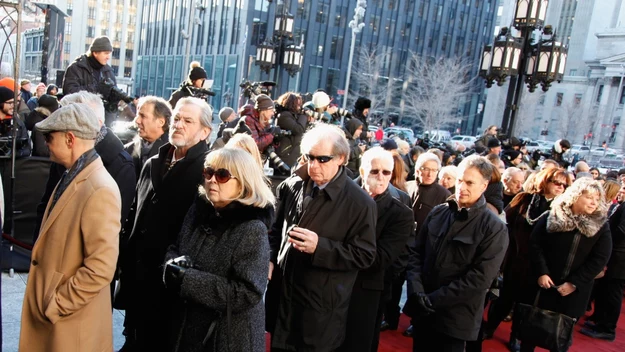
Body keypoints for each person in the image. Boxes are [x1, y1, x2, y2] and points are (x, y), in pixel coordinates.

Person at [19, 103, 121, 352]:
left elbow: (100, 268)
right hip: (59, 320)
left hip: (70, 326)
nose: (45, 144)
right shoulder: (73, 174)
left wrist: (56, 304)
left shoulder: (99, 188)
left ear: (70, 139)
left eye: (49, 138)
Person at [266, 123, 377, 351]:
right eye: (309, 157)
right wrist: (269, 258)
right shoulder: (293, 186)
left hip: (320, 312)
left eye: (322, 159)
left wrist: (320, 247)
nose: (313, 165)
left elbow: (365, 255)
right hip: (283, 300)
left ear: (341, 158)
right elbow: (276, 230)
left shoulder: (360, 203)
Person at [118, 97, 211, 351]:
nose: (178, 125)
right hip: (139, 280)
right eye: (177, 118)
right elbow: (136, 213)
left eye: (188, 121)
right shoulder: (153, 162)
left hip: (172, 288)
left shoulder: (209, 171)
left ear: (205, 131)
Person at [163, 148, 275, 351]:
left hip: (226, 338)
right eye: (208, 172)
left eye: (222, 175)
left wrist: (187, 279)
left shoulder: (252, 229)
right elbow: (176, 246)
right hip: (187, 329)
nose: (212, 180)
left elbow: (247, 293)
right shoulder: (200, 211)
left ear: (243, 183)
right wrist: (172, 263)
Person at [404, 155, 508, 351]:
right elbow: (416, 254)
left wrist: (432, 299)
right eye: (460, 180)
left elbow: (480, 278)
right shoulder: (438, 213)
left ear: (484, 186)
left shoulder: (494, 228)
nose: (462, 187)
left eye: (469, 182)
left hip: (455, 320)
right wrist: (417, 291)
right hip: (422, 312)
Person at [483, 167, 570, 351]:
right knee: (503, 298)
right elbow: (502, 221)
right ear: (545, 181)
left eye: (565, 184)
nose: (561, 187)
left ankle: (516, 336)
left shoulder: (562, 209)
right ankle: (489, 327)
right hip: (514, 258)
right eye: (557, 182)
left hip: (537, 265)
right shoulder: (525, 199)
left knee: (524, 304)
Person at [521, 178, 612, 352]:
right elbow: (535, 244)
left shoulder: (601, 226)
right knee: (530, 331)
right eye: (589, 197)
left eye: (597, 198)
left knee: (560, 338)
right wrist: (542, 272)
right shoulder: (552, 215)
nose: (594, 202)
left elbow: (600, 259)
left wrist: (574, 283)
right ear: (576, 196)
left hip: (574, 291)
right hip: (543, 283)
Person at [340, 147, 413, 352]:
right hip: (331, 285)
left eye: (386, 172)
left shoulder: (400, 213)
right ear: (362, 172)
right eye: (375, 171)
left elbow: (380, 258)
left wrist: (332, 251)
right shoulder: (340, 197)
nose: (381, 177)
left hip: (368, 290)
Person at [400, 152, 451, 336]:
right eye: (425, 169)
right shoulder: (407, 187)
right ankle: (390, 317)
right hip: (401, 244)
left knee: (418, 285)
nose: (429, 174)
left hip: (424, 247)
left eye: (433, 170)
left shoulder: (444, 195)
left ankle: (416, 321)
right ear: (417, 170)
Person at [581, 183, 625, 341]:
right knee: (606, 290)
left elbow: (621, 231)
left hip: (619, 259)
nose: (621, 189)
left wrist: (606, 242)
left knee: (613, 292)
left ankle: (607, 328)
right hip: (617, 256)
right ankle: (600, 321)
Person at [63, 36, 131, 126]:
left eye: (110, 53)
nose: (108, 57)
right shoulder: (76, 68)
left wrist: (117, 98)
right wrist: (96, 89)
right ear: (95, 53)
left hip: (103, 122)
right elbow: (69, 93)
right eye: (106, 53)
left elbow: (110, 95)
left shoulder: (108, 71)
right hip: (81, 121)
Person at [124, 96, 171, 180]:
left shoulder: (172, 153)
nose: (137, 120)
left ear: (161, 122)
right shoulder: (127, 150)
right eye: (138, 115)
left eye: (143, 116)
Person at [275, 92, 308, 168]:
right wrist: (304, 115)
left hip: (292, 153)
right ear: (291, 104)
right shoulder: (284, 116)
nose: (299, 108)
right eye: (298, 105)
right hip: (286, 155)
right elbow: (298, 129)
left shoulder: (293, 116)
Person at [0, 86, 31, 157]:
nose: (13, 106)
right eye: (10, 102)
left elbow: (27, 148)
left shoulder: (18, 122)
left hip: (12, 165)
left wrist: (13, 154)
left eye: (14, 102)